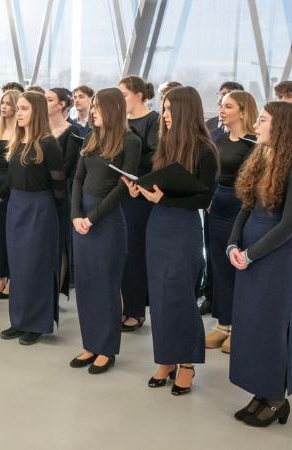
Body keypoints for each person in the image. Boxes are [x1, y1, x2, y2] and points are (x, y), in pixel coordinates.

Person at [227, 101, 292, 427]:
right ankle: (260, 392)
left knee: (272, 327)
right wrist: (233, 243)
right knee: (252, 325)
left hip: (278, 257)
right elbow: (245, 206)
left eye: (262, 120)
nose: (256, 124)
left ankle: (275, 397)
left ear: (280, 126)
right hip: (252, 253)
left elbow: (288, 226)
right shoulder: (261, 157)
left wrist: (250, 254)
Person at [122, 86, 217, 395]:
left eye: (169, 110)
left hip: (184, 228)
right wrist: (142, 191)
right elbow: (158, 187)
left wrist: (166, 199)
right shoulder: (164, 146)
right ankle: (165, 358)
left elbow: (205, 197)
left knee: (180, 295)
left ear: (185, 111)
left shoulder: (204, 149)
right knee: (160, 295)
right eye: (163, 109)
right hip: (158, 225)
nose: (164, 116)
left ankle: (187, 362)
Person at [70, 88, 141, 374]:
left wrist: (93, 218)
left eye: (98, 106)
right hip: (82, 218)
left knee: (105, 286)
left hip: (107, 220)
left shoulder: (130, 141)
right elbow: (78, 178)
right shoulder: (91, 137)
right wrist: (76, 215)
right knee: (86, 285)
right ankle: (90, 344)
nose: (93, 111)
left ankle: (107, 348)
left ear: (112, 110)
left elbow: (124, 186)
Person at [0, 91, 65, 346]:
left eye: (24, 108)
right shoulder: (17, 140)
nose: (19, 113)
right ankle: (19, 320)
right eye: (19, 109)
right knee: (18, 266)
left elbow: (59, 185)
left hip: (39, 208)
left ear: (36, 112)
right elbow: (13, 177)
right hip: (17, 206)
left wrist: (51, 212)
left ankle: (36, 324)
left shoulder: (48, 143)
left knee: (35, 266)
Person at [204, 91, 258, 353]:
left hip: (241, 207)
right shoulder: (219, 138)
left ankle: (241, 327)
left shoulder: (254, 143)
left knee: (239, 268)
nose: (221, 110)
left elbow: (254, 183)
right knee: (219, 267)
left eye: (228, 106)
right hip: (217, 205)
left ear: (243, 110)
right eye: (221, 106)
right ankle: (223, 324)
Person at [117, 76, 160, 332]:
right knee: (121, 251)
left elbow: (154, 157)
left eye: (124, 94)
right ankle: (122, 303)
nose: (121, 100)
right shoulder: (120, 122)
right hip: (119, 191)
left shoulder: (152, 120)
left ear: (140, 95)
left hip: (139, 194)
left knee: (134, 252)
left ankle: (134, 308)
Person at [0, 89, 21, 299]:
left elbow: (16, 168)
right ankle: (0, 277)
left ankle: (13, 278)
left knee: (11, 236)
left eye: (8, 103)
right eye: (3, 102)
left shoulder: (21, 134)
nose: (4, 106)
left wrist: (2, 191)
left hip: (11, 187)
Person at [47, 87, 81, 294]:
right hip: (41, 194)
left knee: (59, 242)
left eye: (49, 99)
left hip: (60, 193)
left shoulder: (72, 130)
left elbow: (67, 167)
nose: (44, 103)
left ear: (61, 104)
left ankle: (56, 289)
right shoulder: (40, 129)